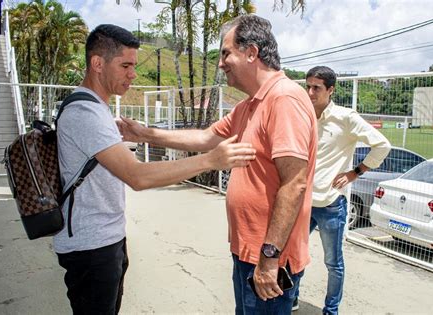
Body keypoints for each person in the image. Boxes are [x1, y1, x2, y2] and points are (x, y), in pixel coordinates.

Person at [119, 15, 317, 314]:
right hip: (248, 251)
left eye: (226, 53)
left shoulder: (284, 99)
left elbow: (295, 182)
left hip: (268, 258)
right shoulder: (250, 105)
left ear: (251, 52)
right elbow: (206, 137)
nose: (221, 63)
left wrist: (269, 256)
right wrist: (145, 134)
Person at [54, 24, 256, 315]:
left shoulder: (97, 108)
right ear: (97, 64)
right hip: (90, 247)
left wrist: (147, 134)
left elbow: (205, 136)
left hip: (105, 238)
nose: (133, 74)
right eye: (125, 65)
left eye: (134, 66)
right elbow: (137, 176)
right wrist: (211, 160)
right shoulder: (85, 112)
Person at [293, 66, 391, 314]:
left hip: (330, 204)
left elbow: (382, 145)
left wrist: (355, 172)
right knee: (294, 254)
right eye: (308, 86)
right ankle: (292, 297)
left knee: (333, 263)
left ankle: (331, 309)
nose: (310, 92)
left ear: (331, 89)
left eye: (317, 87)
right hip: (303, 201)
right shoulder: (304, 115)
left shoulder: (346, 118)